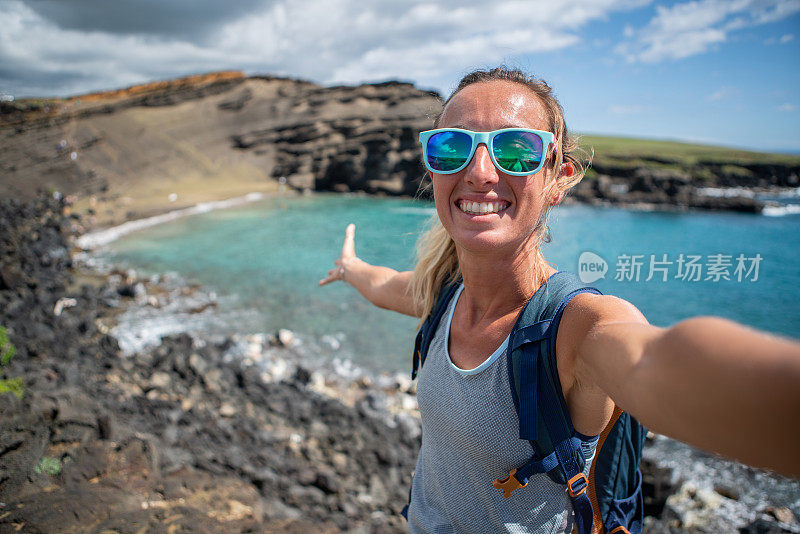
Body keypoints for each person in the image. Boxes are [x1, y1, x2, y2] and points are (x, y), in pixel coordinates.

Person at [319, 67, 800, 533]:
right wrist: (350, 268)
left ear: (559, 178)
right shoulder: (445, 295)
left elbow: (653, 360)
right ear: (432, 165)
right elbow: (384, 285)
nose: (480, 172)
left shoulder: (575, 328)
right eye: (452, 147)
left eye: (517, 150)